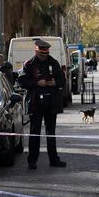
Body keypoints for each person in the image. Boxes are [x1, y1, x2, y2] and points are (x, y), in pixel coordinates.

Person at [17, 39, 66, 169]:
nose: (44, 56)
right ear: (36, 51)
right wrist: (36, 83)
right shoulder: (29, 64)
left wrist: (54, 82)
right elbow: (21, 81)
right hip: (35, 102)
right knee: (35, 132)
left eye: (46, 54)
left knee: (51, 132)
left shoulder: (53, 63)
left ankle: (54, 159)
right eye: (41, 54)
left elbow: (62, 79)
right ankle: (32, 161)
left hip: (51, 102)